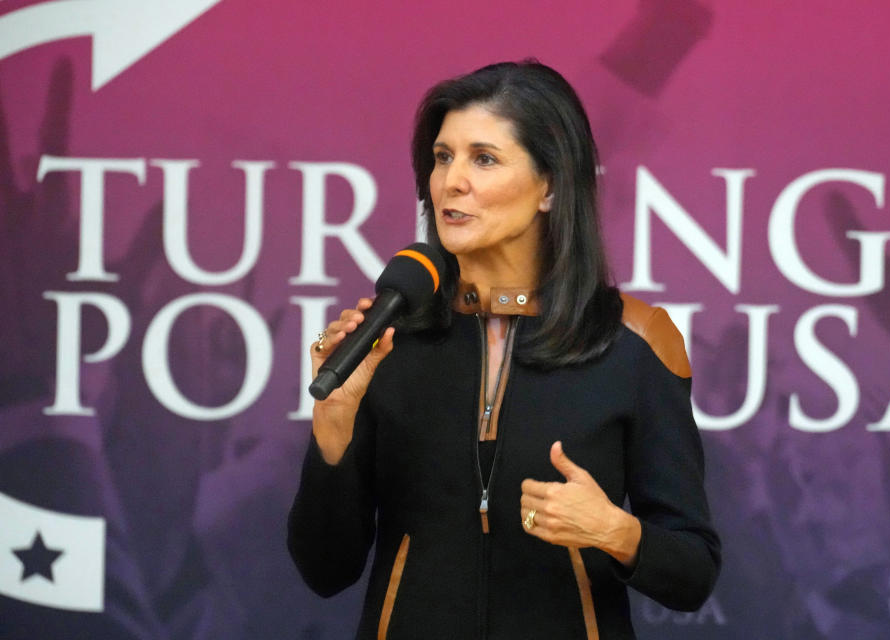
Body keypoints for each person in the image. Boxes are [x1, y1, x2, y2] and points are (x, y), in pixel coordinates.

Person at [287, 60, 720, 640]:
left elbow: (693, 574)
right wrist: (334, 426)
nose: (451, 182)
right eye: (443, 157)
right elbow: (324, 570)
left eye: (483, 158)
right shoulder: (387, 341)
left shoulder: (636, 342)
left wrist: (614, 531)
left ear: (551, 186)